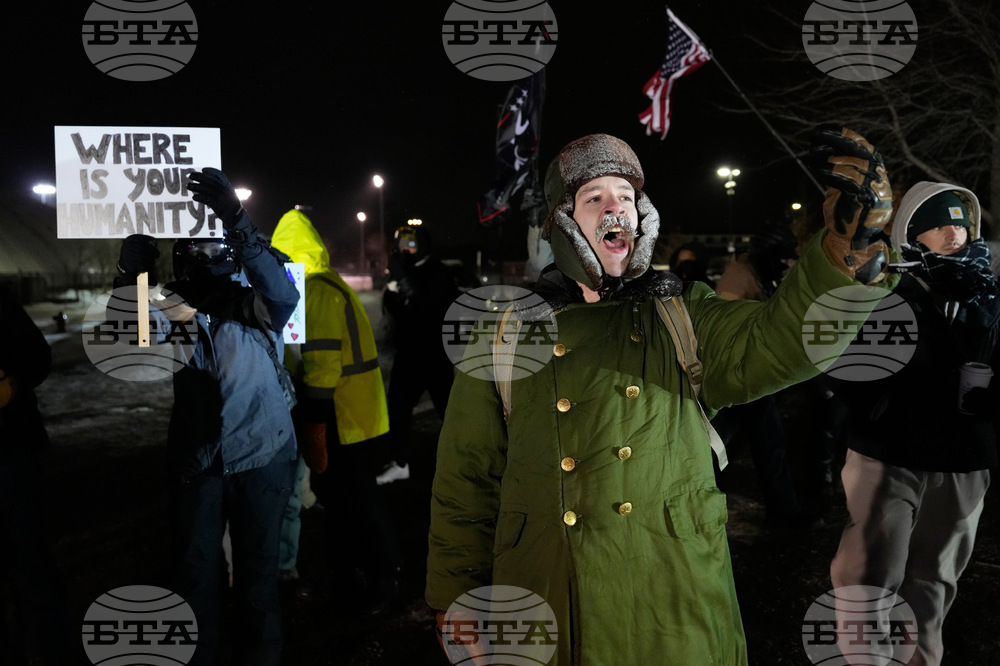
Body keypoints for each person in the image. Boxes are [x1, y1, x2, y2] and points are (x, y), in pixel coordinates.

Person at [425, 129, 898, 664]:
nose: (615, 210)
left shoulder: (681, 313)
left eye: (626, 196)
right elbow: (467, 474)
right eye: (595, 197)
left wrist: (844, 258)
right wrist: (457, 594)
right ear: (562, 220)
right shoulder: (507, 333)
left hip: (674, 595)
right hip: (547, 596)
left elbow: (782, 341)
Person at [114, 168, 300, 666]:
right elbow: (131, 344)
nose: (204, 257)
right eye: (194, 249)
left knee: (258, 584)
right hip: (200, 462)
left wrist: (236, 218)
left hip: (263, 455)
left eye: (213, 248)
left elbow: (283, 295)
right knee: (193, 579)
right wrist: (130, 280)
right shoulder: (170, 305)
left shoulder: (254, 298)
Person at [829, 182, 1000, 666]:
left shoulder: (989, 290)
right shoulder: (883, 286)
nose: (954, 232)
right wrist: (886, 398)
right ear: (911, 232)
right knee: (867, 573)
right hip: (889, 452)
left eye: (961, 223)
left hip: (964, 458)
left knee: (936, 578)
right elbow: (839, 362)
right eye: (938, 224)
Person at [270, 208, 400, 617]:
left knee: (360, 501)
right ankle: (347, 573)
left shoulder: (317, 292)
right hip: (351, 416)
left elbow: (323, 367)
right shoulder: (315, 287)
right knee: (342, 502)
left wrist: (312, 423)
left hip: (347, 419)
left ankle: (384, 578)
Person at [0, 287, 72, 664]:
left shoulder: (0, 302)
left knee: (30, 570)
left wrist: (11, 383)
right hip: (14, 453)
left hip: (11, 454)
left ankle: (43, 652)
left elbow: (36, 357)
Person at [377, 224, 459, 485]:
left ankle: (465, 461)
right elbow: (398, 314)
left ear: (422, 245)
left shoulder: (437, 271)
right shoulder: (405, 270)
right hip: (409, 355)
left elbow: (429, 310)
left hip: (436, 355)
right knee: (398, 408)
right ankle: (400, 462)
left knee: (450, 412)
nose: (405, 250)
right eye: (401, 244)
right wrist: (393, 290)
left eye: (411, 245)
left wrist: (404, 281)